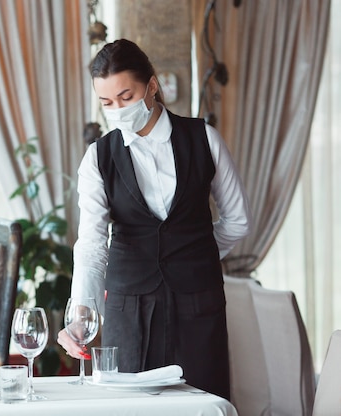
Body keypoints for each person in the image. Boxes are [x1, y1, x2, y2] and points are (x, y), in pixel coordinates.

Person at [57, 39, 251, 400]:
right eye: (106, 103)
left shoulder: (203, 138)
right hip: (128, 310)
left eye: (126, 96)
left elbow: (237, 220)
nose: (117, 110)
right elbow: (92, 245)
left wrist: (195, 255)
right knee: (130, 407)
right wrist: (81, 313)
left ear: (152, 85)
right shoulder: (98, 158)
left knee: (202, 403)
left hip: (199, 306)